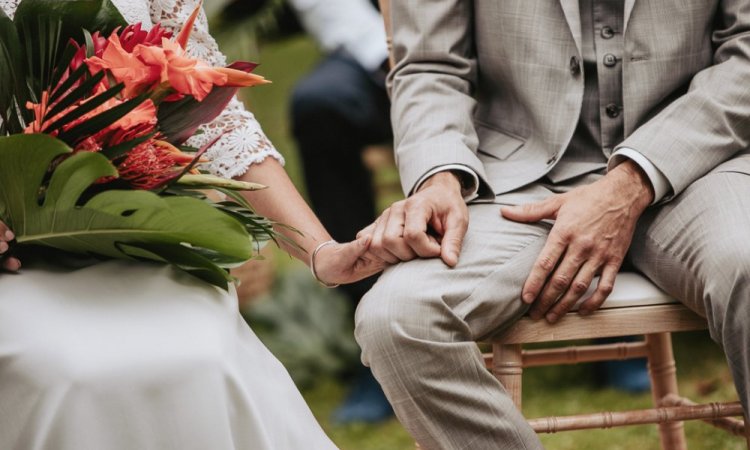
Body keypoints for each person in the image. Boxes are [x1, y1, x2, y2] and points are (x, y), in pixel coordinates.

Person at [354, 1, 750, 449]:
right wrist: (439, 175)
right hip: (519, 182)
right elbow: (429, 66)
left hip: (699, 165)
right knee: (399, 318)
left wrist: (632, 181)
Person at [0, 0, 387, 448]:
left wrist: (321, 251)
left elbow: (209, 106)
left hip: (129, 234)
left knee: (199, 353)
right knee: (70, 371)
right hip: (12, 268)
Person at [287, 0, 393, 424]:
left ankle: (602, 310)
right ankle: (377, 340)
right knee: (319, 104)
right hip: (373, 49)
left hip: (500, 41)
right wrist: (388, 52)